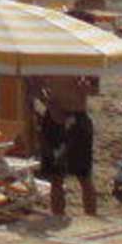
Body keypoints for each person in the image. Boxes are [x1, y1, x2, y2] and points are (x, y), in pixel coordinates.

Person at [31, 77, 97, 216]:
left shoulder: (86, 64)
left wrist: (87, 87)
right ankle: (58, 217)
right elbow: (34, 81)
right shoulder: (51, 63)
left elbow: (94, 88)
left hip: (78, 117)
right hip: (54, 119)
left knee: (84, 176)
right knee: (56, 177)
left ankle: (91, 219)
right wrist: (49, 103)